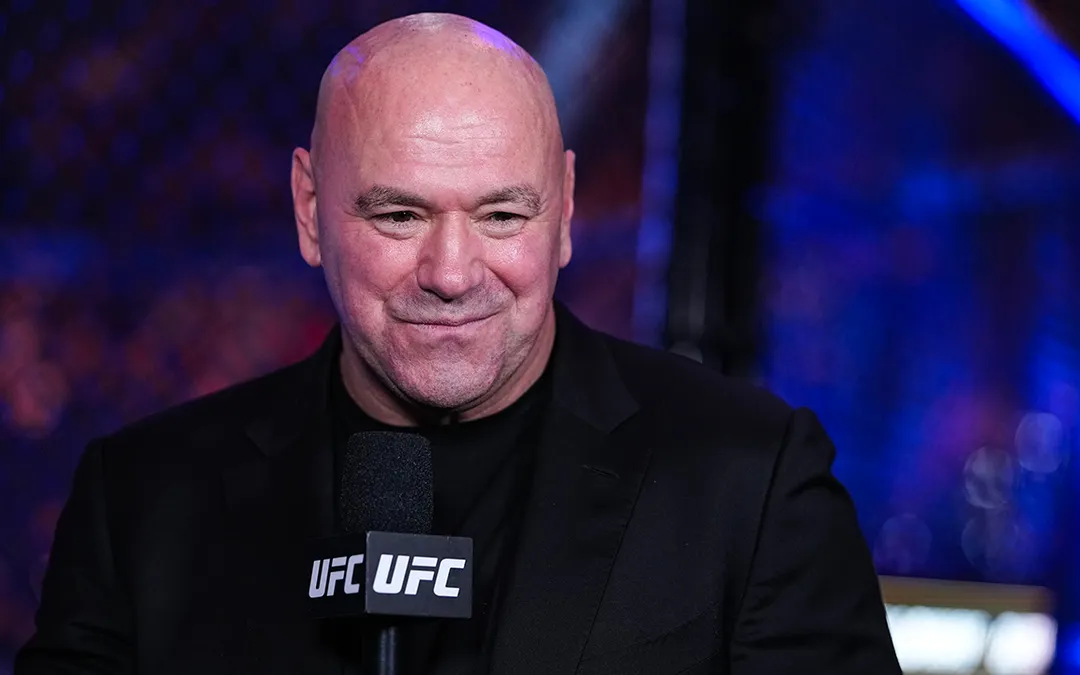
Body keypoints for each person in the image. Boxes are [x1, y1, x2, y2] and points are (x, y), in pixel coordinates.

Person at [16, 13, 900, 675]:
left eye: (502, 215)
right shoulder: (145, 501)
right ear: (309, 210)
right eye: (399, 214)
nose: (451, 272)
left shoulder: (751, 481)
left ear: (565, 210)